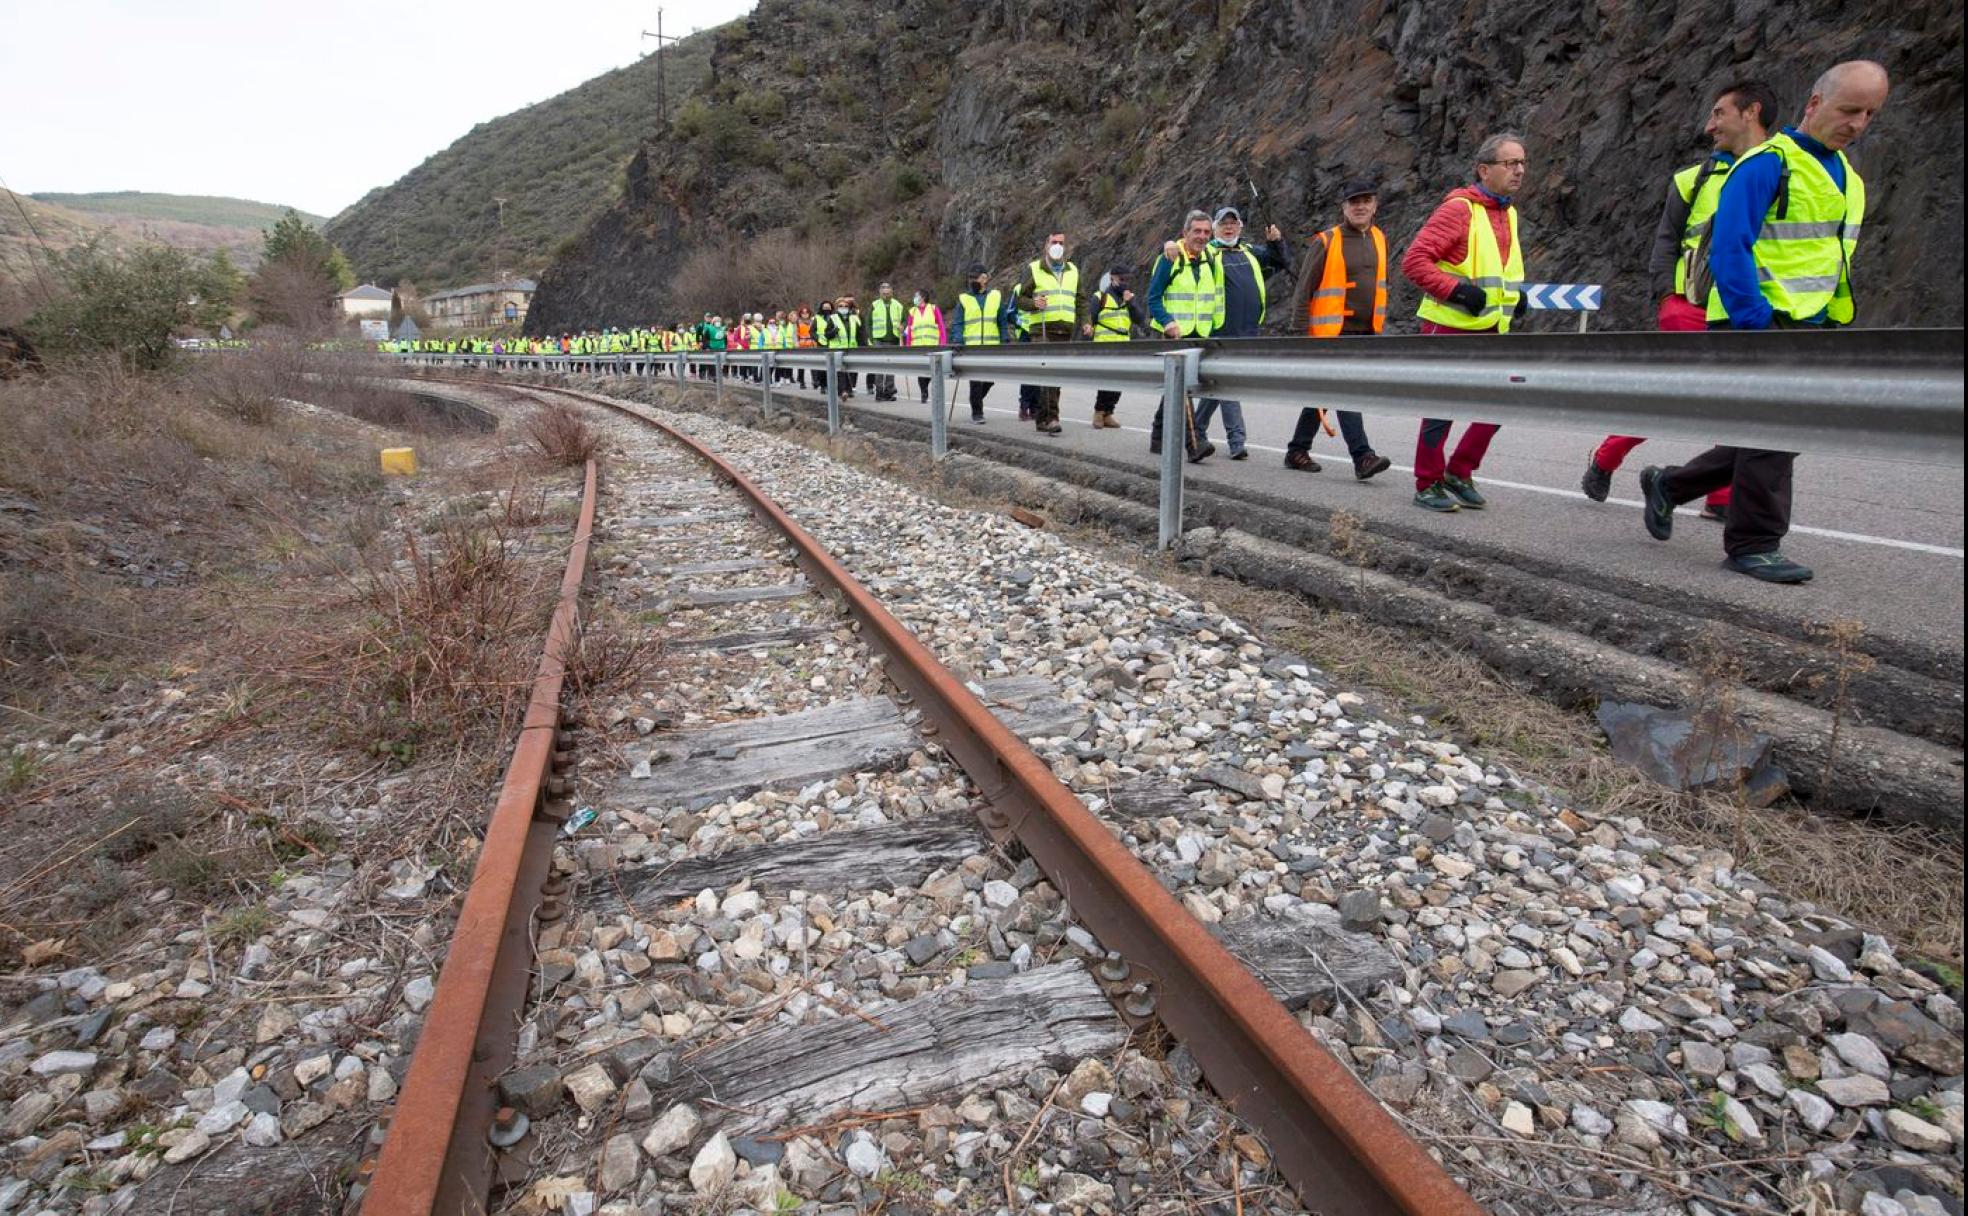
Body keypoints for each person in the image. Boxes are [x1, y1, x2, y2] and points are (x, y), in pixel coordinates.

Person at [1640, 60, 1888, 585]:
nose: (1859, 123)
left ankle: (1671, 484)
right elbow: (1729, 249)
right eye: (1849, 110)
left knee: (1772, 433)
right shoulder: (1768, 163)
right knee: (1774, 432)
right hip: (1758, 322)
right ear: (1815, 104)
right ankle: (1754, 543)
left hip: (1811, 325)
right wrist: (1756, 324)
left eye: (1870, 113)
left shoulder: (1847, 177)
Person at [1585, 80, 1780, 516]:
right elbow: (1666, 241)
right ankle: (1605, 458)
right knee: (1669, 399)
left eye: (1719, 114)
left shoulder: (1782, 170)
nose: (1709, 126)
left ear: (1751, 112)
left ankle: (1721, 498)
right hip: (1690, 307)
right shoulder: (1692, 179)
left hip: (1750, 308)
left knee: (1738, 406)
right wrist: (1667, 296)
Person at [1401, 132, 1528, 512]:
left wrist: (1515, 296)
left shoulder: (1508, 212)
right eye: (1511, 163)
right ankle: (1427, 482)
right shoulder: (1459, 209)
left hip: (1493, 328)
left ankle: (1459, 471)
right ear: (1484, 169)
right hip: (1449, 324)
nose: (1519, 170)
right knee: (1442, 406)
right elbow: (1414, 262)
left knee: (1501, 403)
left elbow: (1498, 269)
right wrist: (1457, 292)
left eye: (1522, 163)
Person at [1284, 178, 1394, 480]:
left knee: (1325, 391)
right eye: (1353, 201)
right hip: (1332, 334)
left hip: (1366, 333)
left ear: (1375, 205)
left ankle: (1297, 450)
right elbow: (1303, 291)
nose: (1360, 206)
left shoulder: (1380, 238)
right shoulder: (1327, 241)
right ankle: (1363, 456)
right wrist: (1301, 335)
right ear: (1343, 207)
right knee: (1346, 390)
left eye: (1365, 201)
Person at [1192, 206, 1291, 459]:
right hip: (1219, 330)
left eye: (1233, 223)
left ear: (1240, 227)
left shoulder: (1250, 252)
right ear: (1215, 227)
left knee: (1219, 385)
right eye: (1223, 223)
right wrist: (1172, 244)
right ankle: (1237, 441)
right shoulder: (1208, 252)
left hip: (1247, 330)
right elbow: (1185, 251)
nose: (1228, 227)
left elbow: (1281, 262)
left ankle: (1196, 428)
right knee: (1228, 384)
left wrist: (1276, 242)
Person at [1146, 210, 1222, 462]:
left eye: (1206, 232)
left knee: (1174, 388)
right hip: (1174, 335)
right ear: (1185, 233)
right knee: (1184, 387)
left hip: (1199, 333)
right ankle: (1194, 444)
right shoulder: (1170, 258)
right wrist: (1168, 322)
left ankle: (1158, 437)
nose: (1201, 236)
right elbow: (1153, 298)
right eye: (1196, 231)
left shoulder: (1211, 257)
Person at [1012, 230, 1084, 435]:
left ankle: (1042, 418)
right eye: (1054, 242)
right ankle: (1052, 418)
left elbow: (1081, 298)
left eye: (1061, 242)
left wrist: (1086, 321)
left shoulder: (1073, 270)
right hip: (1041, 328)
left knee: (1055, 376)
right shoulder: (1034, 269)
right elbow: (1019, 299)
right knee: (1049, 373)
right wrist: (1034, 303)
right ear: (1046, 244)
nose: (1058, 246)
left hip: (1065, 329)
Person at [953, 263, 1014, 424]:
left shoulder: (995, 297)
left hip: (991, 347)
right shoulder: (964, 299)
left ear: (985, 279)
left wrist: (1004, 338)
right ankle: (977, 412)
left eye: (977, 277)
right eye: (971, 277)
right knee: (976, 381)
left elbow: (1002, 321)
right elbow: (958, 323)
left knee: (990, 379)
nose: (973, 280)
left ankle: (975, 399)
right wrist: (958, 339)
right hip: (972, 348)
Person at [1084, 266, 1144, 426]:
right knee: (1107, 380)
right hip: (1104, 345)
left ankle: (1108, 413)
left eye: (1128, 279)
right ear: (1112, 279)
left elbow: (1139, 319)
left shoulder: (1129, 297)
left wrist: (1130, 301)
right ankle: (1099, 412)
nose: (1125, 282)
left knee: (1120, 381)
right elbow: (1091, 318)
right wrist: (1089, 327)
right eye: (1122, 279)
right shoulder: (1100, 297)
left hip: (1123, 345)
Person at [904, 288, 947, 403]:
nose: (914, 298)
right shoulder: (912, 311)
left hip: (932, 345)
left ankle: (932, 390)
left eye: (916, 296)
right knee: (921, 371)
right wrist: (908, 346)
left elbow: (941, 326)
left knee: (932, 370)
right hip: (917, 346)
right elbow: (909, 330)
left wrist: (943, 342)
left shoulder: (933, 309)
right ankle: (924, 391)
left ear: (922, 297)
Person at [867, 282, 904, 400]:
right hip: (879, 339)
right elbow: (869, 323)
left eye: (888, 288)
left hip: (893, 339)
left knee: (890, 366)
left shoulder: (898, 305)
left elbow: (905, 320)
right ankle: (879, 391)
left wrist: (903, 326)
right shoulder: (874, 305)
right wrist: (871, 338)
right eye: (883, 288)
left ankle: (889, 391)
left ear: (892, 291)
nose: (885, 291)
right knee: (879, 366)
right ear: (879, 291)